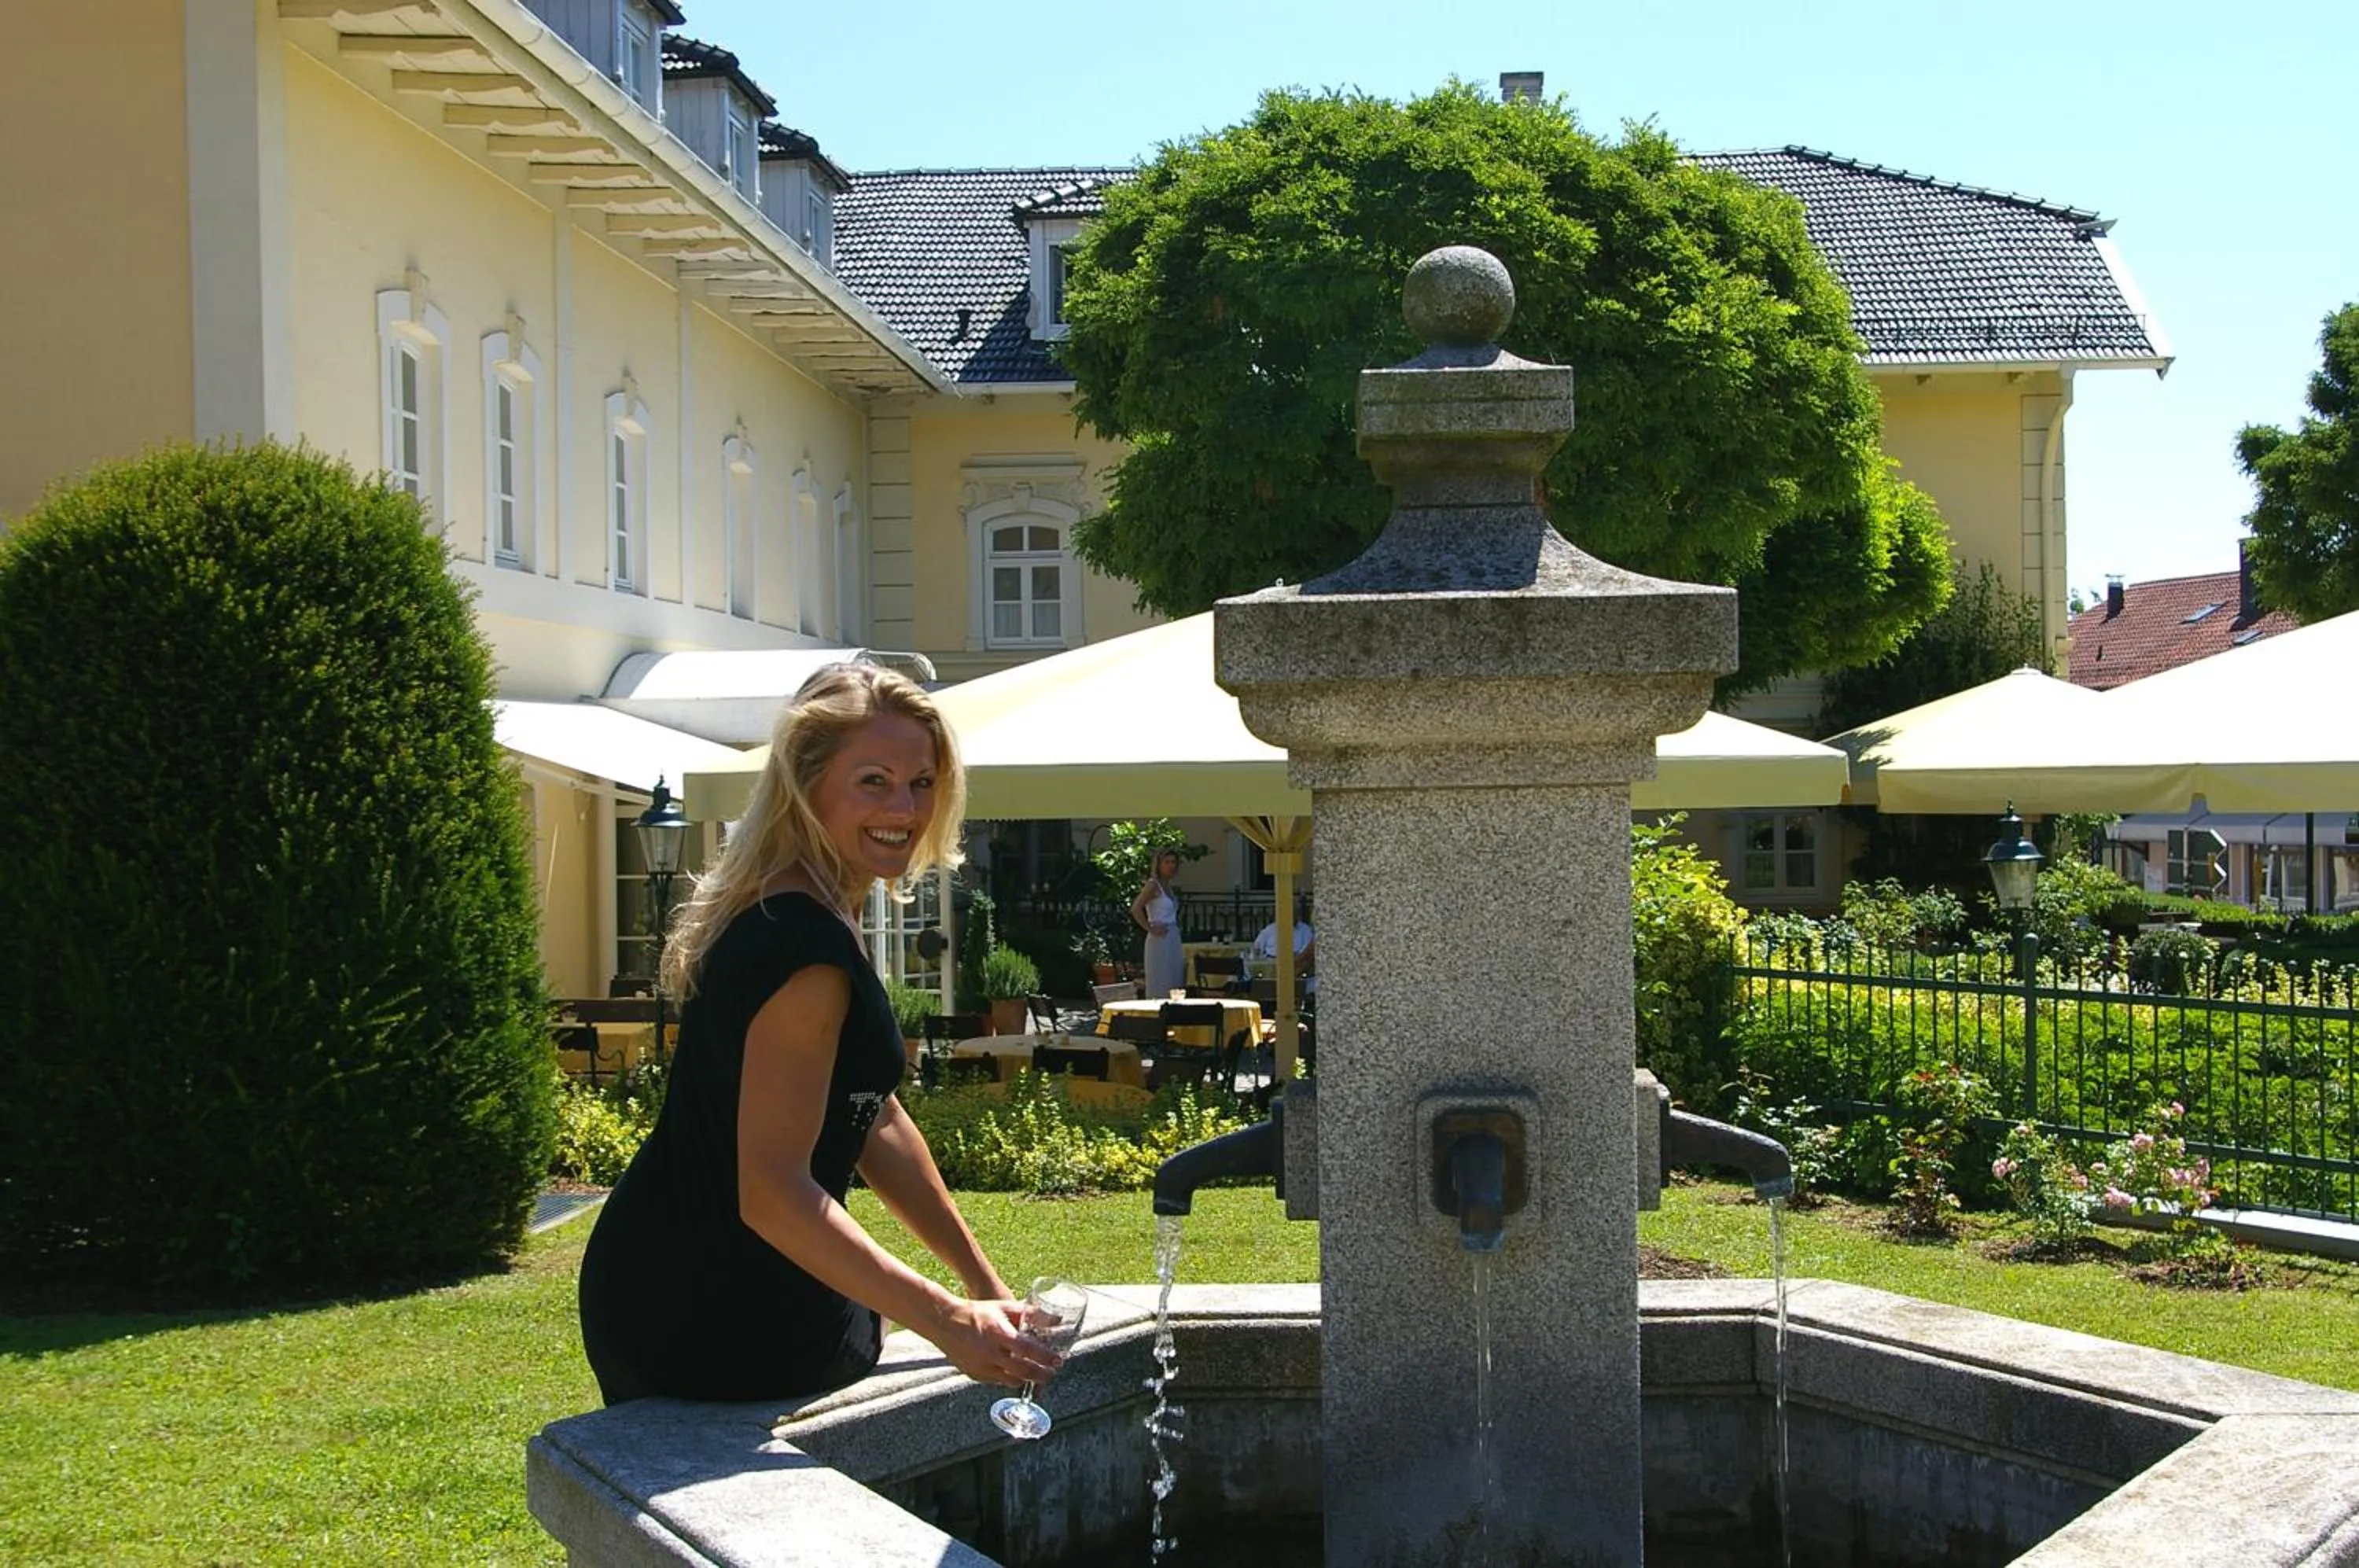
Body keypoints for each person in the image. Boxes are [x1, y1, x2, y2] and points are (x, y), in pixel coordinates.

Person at [577, 663, 1057, 1406]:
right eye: (873, 780)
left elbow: (871, 1114)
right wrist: (951, 1321)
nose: (905, 806)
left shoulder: (807, 902)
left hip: (688, 1273)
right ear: (806, 785)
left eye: (922, 783)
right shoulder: (804, 947)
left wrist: (984, 1286)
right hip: (711, 1309)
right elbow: (770, 1194)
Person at [1130, 848, 1185, 998]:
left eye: (1174, 862)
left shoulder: (1168, 887)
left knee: (1175, 977)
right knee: (1161, 978)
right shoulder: (1153, 885)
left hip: (1173, 935)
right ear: (1159, 865)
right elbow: (1136, 908)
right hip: (1159, 938)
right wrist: (1149, 928)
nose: (1171, 866)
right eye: (1167, 862)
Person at [1250, 907, 1317, 994]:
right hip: (1270, 965)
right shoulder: (1269, 929)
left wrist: (1288, 965)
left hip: (1295, 966)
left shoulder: (1305, 930)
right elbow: (1256, 948)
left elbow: (1306, 955)